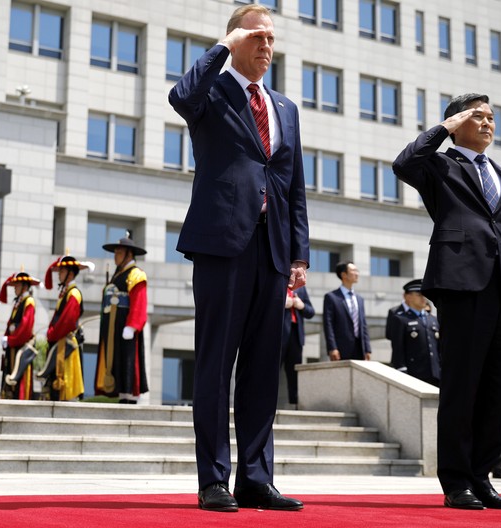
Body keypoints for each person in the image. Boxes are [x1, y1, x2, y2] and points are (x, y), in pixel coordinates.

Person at [169, 3, 309, 513]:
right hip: (221, 244)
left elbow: (293, 186)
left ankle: (255, 478)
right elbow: (179, 96)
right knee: (215, 365)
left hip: (272, 252)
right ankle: (213, 481)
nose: (267, 46)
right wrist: (225, 44)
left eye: (271, 39)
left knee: (260, 371)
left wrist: (299, 253)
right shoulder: (212, 91)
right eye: (257, 37)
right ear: (235, 38)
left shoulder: (286, 108)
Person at [393, 93, 501, 511]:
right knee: (463, 387)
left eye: (492, 117)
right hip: (462, 284)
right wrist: (444, 129)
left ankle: (483, 476)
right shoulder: (440, 165)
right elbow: (403, 164)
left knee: (496, 388)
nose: (489, 124)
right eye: (479, 117)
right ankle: (456, 481)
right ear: (458, 122)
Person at [95, 236, 150, 404]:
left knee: (128, 361)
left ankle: (129, 397)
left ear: (129, 254)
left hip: (125, 327)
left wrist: (132, 326)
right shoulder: (117, 274)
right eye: (116, 252)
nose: (115, 255)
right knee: (115, 361)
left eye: (119, 252)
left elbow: (140, 301)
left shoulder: (136, 274)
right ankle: (120, 394)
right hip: (113, 328)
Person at [41, 254, 94, 402]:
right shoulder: (66, 292)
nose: (59, 274)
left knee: (65, 386)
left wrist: (51, 333)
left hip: (65, 346)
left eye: (62, 271)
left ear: (71, 273)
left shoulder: (74, 293)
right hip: (60, 345)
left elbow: (67, 321)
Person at [386, 279, 440, 386]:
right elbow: (398, 348)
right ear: (408, 297)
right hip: (414, 374)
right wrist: (401, 370)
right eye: (419, 294)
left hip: (436, 374)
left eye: (425, 295)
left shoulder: (433, 320)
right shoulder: (401, 319)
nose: (423, 298)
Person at [0, 269, 40, 400]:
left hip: (21, 349)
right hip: (13, 348)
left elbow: (25, 328)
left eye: (17, 285)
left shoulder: (29, 302)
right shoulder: (19, 303)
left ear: (25, 286)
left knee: (20, 385)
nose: (15, 288)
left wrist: (11, 340)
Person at [323, 262, 371, 362]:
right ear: (344, 275)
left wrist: (367, 348)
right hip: (340, 349)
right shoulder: (331, 297)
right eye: (353, 271)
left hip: (360, 348)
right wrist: (332, 348)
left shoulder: (360, 299)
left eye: (357, 270)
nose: (357, 273)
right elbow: (328, 324)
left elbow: (363, 325)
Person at [281, 285, 314, 406]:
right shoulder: (277, 282)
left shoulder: (301, 288)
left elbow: (311, 312)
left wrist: (302, 305)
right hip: (278, 335)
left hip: (296, 336)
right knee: (272, 372)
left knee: (294, 374)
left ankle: (295, 405)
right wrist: (281, 303)